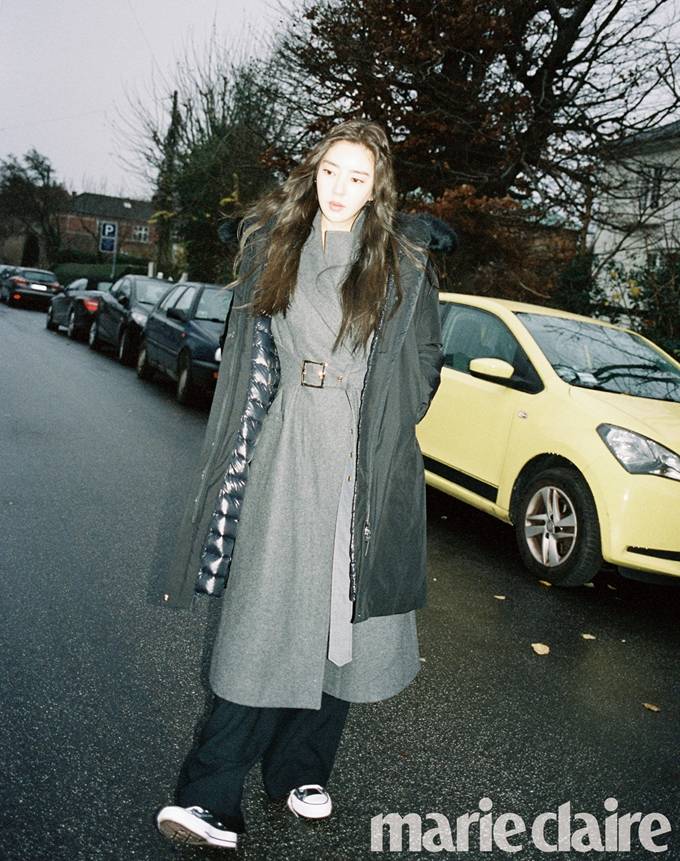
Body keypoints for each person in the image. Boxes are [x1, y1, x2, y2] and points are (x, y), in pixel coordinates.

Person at [155, 118, 452, 850]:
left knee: (341, 615)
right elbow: (246, 352)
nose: (340, 189)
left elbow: (425, 358)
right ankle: (207, 794)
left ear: (376, 187)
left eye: (357, 177)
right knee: (269, 617)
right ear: (312, 173)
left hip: (364, 451)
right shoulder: (275, 246)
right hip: (289, 444)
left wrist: (389, 419)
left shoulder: (403, 263)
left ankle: (301, 769)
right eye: (329, 172)